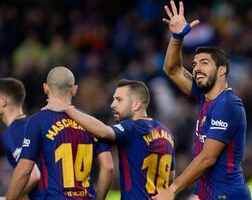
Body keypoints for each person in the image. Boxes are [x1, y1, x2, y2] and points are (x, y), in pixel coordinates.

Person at [155, 0, 251, 200]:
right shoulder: (204, 95)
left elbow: (208, 158)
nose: (197, 68)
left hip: (227, 195)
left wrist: (172, 190)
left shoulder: (227, 104)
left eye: (204, 63)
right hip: (208, 193)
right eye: (195, 64)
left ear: (222, 70)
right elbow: (172, 69)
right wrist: (176, 38)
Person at [43, 79, 175, 199]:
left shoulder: (132, 127)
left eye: (119, 100)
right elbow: (170, 178)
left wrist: (67, 108)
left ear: (136, 105)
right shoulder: (166, 132)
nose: (112, 104)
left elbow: (103, 132)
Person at [6, 67, 114, 200]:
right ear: (74, 90)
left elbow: (24, 170)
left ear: (45, 88)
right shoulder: (93, 124)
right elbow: (108, 167)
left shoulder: (37, 121)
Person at [0, 78, 44, 199]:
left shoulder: (15, 131)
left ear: (3, 101)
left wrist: (8, 198)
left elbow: (33, 175)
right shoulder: (30, 125)